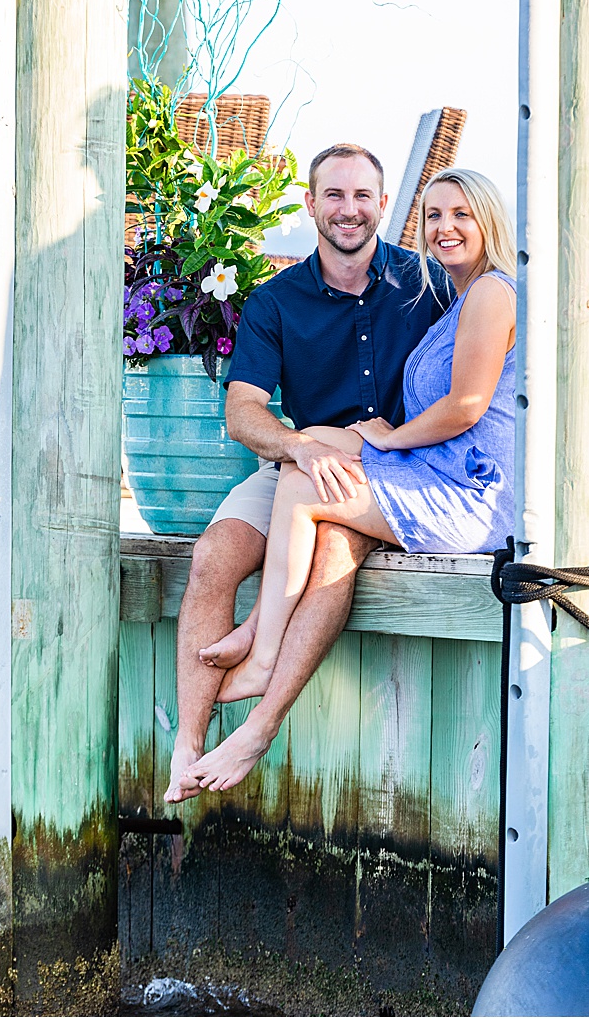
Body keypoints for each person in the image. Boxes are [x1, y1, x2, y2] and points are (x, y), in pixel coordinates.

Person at [185, 167, 517, 793]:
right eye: (436, 216)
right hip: (424, 464)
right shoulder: (443, 292)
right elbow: (244, 413)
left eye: (462, 215)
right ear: (310, 205)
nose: (446, 227)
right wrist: (336, 440)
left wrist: (387, 436)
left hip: (467, 485)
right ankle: (203, 723)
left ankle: (261, 656)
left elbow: (468, 405)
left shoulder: (478, 293)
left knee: (313, 492)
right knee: (304, 458)